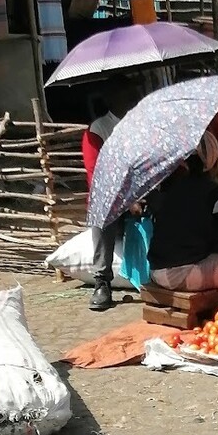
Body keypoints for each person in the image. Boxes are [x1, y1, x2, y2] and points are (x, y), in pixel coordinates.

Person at [147, 135, 218, 297]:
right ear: (215, 161)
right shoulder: (215, 193)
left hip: (157, 271)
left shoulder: (170, 189)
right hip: (183, 275)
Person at [83, 77, 139, 311]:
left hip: (143, 192)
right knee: (102, 210)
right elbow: (98, 178)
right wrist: (128, 201)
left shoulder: (141, 124)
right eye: (127, 94)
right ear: (112, 99)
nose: (133, 99)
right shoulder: (99, 130)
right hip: (114, 199)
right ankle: (102, 280)